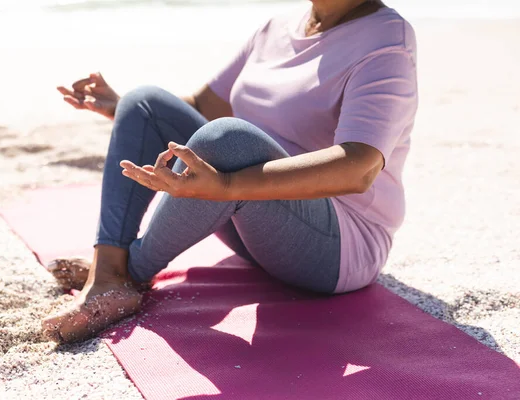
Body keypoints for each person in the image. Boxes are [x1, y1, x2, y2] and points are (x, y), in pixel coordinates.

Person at [42, 0, 418, 343]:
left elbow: (359, 169)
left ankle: (129, 272)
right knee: (146, 103)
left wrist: (228, 184)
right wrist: (125, 109)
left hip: (338, 245)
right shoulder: (279, 26)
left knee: (229, 141)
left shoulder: (387, 43)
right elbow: (203, 106)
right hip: (253, 217)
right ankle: (107, 269)